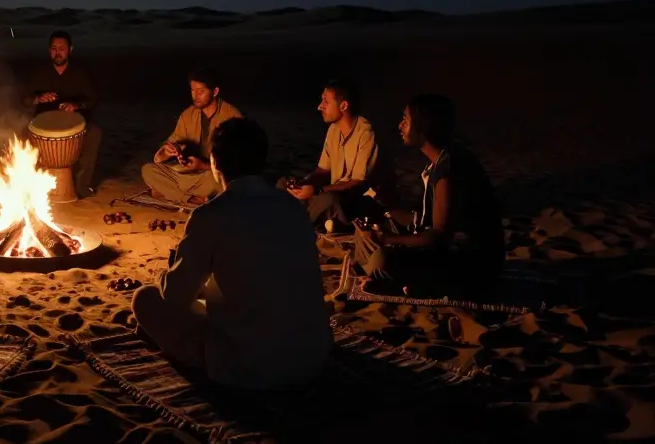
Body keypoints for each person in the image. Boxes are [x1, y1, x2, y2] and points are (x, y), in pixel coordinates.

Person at [132, 118, 332, 390]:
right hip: (312, 358)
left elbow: (176, 296)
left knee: (145, 298)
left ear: (214, 162)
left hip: (248, 365)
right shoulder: (292, 207)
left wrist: (171, 269)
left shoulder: (210, 215)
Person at [352, 94, 504, 298]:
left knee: (381, 259)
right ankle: (394, 280)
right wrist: (387, 206)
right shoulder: (439, 163)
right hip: (448, 252)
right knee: (364, 235)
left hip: (471, 265)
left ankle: (404, 283)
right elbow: (422, 224)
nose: (400, 125)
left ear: (423, 127)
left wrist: (387, 239)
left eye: (405, 120)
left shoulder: (449, 169)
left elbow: (439, 236)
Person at [281, 80, 395, 230]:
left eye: (325, 101)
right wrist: (303, 183)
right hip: (336, 197)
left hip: (361, 201)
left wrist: (316, 190)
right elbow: (322, 170)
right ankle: (292, 219)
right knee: (283, 184)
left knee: (327, 199)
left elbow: (357, 183)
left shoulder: (366, 133)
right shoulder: (333, 130)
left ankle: (289, 224)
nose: (319, 106)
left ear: (343, 106)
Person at [142, 69, 243, 207]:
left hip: (212, 176)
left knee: (224, 181)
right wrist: (168, 151)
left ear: (214, 92)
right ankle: (194, 199)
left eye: (200, 91)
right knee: (148, 170)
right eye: (192, 91)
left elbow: (239, 163)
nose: (195, 96)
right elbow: (172, 142)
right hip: (190, 175)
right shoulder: (188, 115)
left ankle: (174, 193)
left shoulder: (232, 117)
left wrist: (203, 166)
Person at [22, 30, 103, 196]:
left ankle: (82, 184)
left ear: (70, 50)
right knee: (20, 134)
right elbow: (24, 99)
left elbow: (93, 99)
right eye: (54, 48)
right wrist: (38, 98)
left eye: (62, 48)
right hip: (43, 126)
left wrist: (76, 104)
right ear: (49, 50)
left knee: (95, 133)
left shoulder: (80, 73)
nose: (57, 52)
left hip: (76, 124)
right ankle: (30, 185)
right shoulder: (39, 74)